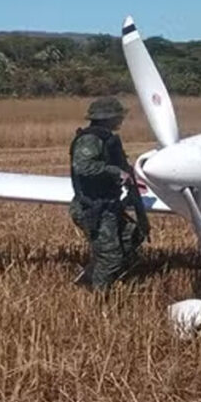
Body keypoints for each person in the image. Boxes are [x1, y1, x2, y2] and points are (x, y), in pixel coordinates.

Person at [68, 96, 147, 290]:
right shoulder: (90, 139)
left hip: (108, 205)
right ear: (108, 118)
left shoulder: (105, 138)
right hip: (93, 208)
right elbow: (83, 166)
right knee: (110, 257)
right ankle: (99, 298)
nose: (121, 120)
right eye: (118, 116)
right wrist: (115, 172)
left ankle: (89, 278)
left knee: (133, 235)